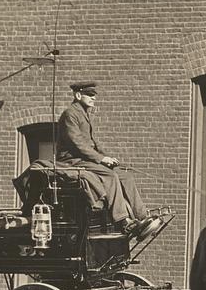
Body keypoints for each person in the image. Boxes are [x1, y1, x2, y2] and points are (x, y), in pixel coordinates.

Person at [57, 82, 161, 239]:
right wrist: (101, 159)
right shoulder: (70, 114)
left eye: (94, 95)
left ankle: (142, 217)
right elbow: (77, 144)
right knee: (110, 176)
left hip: (86, 158)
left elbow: (93, 142)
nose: (93, 98)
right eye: (89, 95)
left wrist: (108, 157)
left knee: (126, 176)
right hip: (72, 160)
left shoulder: (84, 113)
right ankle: (123, 221)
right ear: (78, 95)